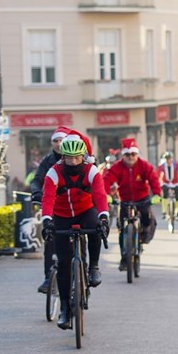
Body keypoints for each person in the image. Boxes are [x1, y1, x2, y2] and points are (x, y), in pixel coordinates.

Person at [40, 131, 110, 329]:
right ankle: (64, 309)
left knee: (96, 227)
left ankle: (93, 266)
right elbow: (47, 199)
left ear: (83, 156)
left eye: (77, 157)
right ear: (63, 157)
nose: (73, 162)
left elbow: (100, 196)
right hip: (61, 216)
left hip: (85, 210)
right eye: (69, 158)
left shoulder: (91, 171)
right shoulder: (53, 173)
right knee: (63, 263)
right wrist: (47, 222)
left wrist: (104, 217)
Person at [103, 138, 161, 271]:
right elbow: (107, 179)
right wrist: (106, 194)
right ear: (123, 155)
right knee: (121, 227)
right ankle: (124, 257)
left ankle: (144, 235)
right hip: (124, 200)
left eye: (133, 154)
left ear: (137, 154)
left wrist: (157, 194)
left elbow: (153, 179)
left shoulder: (144, 165)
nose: (130, 157)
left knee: (147, 218)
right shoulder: (117, 167)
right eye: (127, 155)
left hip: (142, 199)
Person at [31, 125, 70, 294]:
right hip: (53, 207)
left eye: (62, 140)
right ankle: (48, 278)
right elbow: (36, 180)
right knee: (50, 239)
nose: (59, 144)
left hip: (76, 207)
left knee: (84, 235)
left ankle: (87, 270)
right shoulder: (47, 162)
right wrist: (37, 193)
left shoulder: (81, 158)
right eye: (55, 140)